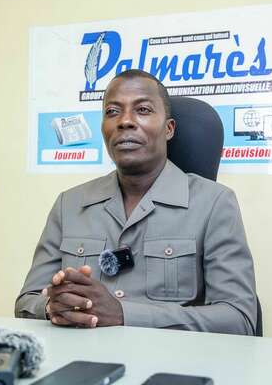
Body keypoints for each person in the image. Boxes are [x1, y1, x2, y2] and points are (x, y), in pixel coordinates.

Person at [15, 69, 257, 335]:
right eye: (112, 112)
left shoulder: (214, 203)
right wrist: (54, 306)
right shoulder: (69, 204)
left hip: (170, 359)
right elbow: (26, 303)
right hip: (81, 358)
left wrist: (124, 314)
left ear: (168, 129)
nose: (125, 121)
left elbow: (239, 319)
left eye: (142, 110)